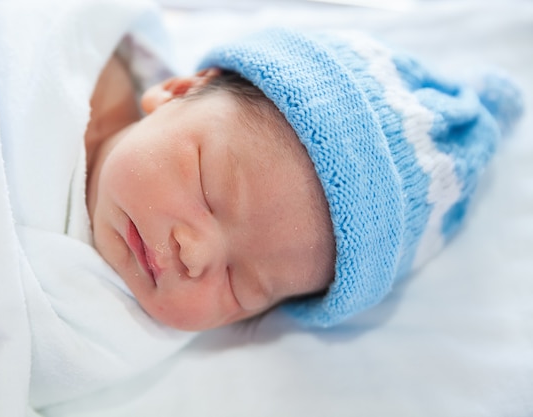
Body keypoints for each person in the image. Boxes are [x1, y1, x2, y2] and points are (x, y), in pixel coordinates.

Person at [83, 27, 523, 332]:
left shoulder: (93, 332)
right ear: (179, 90)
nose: (194, 255)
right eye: (208, 191)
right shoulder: (80, 51)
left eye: (242, 285)